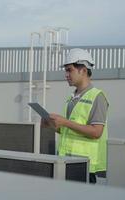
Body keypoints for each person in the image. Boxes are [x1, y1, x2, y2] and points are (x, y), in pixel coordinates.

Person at [44, 48, 109, 184]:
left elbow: (97, 132)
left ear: (83, 70)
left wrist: (65, 122)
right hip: (66, 164)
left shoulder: (97, 97)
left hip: (84, 166)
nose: (66, 74)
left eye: (69, 70)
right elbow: (67, 131)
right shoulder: (72, 98)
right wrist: (51, 124)